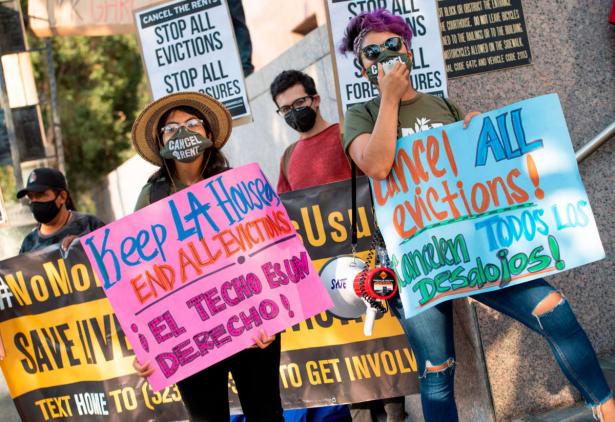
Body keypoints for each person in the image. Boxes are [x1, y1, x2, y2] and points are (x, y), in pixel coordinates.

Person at [339, 9, 615, 422]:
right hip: (417, 262)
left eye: (391, 45)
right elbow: (377, 165)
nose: (383, 55)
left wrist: (474, 133)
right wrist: (390, 99)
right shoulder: (361, 115)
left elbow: (472, 172)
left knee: (553, 308)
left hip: (473, 248)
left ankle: (605, 407)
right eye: (371, 52)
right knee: (437, 369)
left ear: (409, 49)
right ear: (362, 69)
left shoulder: (441, 104)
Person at [130, 92, 283, 422]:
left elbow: (268, 250)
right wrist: (147, 347)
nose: (182, 132)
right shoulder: (150, 196)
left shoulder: (238, 184)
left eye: (191, 124)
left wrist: (272, 317)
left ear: (209, 135)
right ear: (160, 143)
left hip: (252, 322)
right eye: (170, 129)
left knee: (266, 413)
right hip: (189, 334)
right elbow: (140, 277)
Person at [0, 167, 105, 360]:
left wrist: (84, 248)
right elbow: (18, 298)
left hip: (102, 336)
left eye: (40, 194)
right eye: (31, 197)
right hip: (63, 349)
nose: (34, 202)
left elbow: (119, 267)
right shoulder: (28, 245)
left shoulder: (89, 225)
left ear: (62, 196)